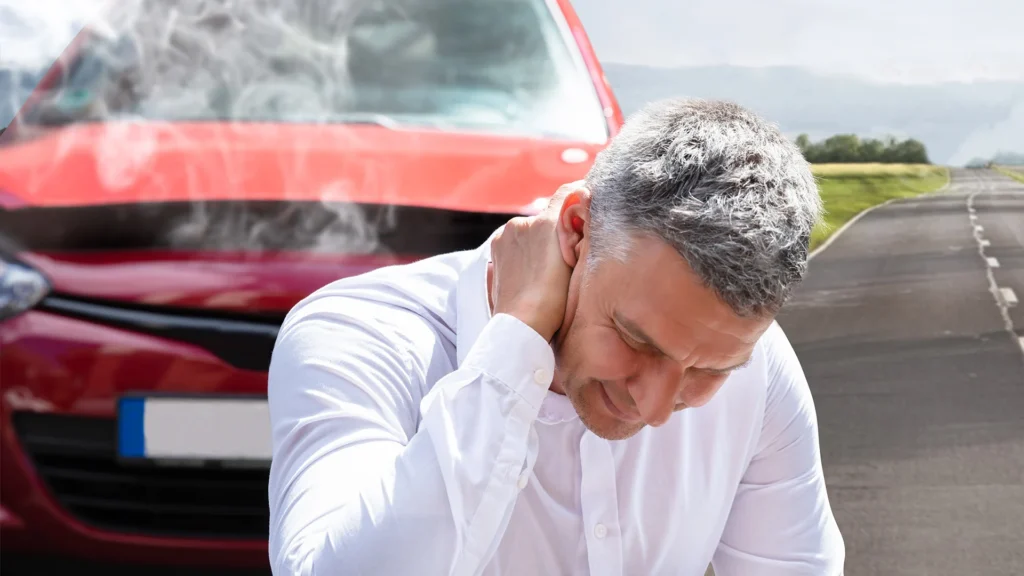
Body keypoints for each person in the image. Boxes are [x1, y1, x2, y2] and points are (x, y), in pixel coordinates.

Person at [266, 98, 845, 575]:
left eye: (706, 372)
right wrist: (512, 346)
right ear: (574, 230)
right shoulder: (358, 335)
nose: (658, 406)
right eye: (637, 341)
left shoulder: (759, 365)